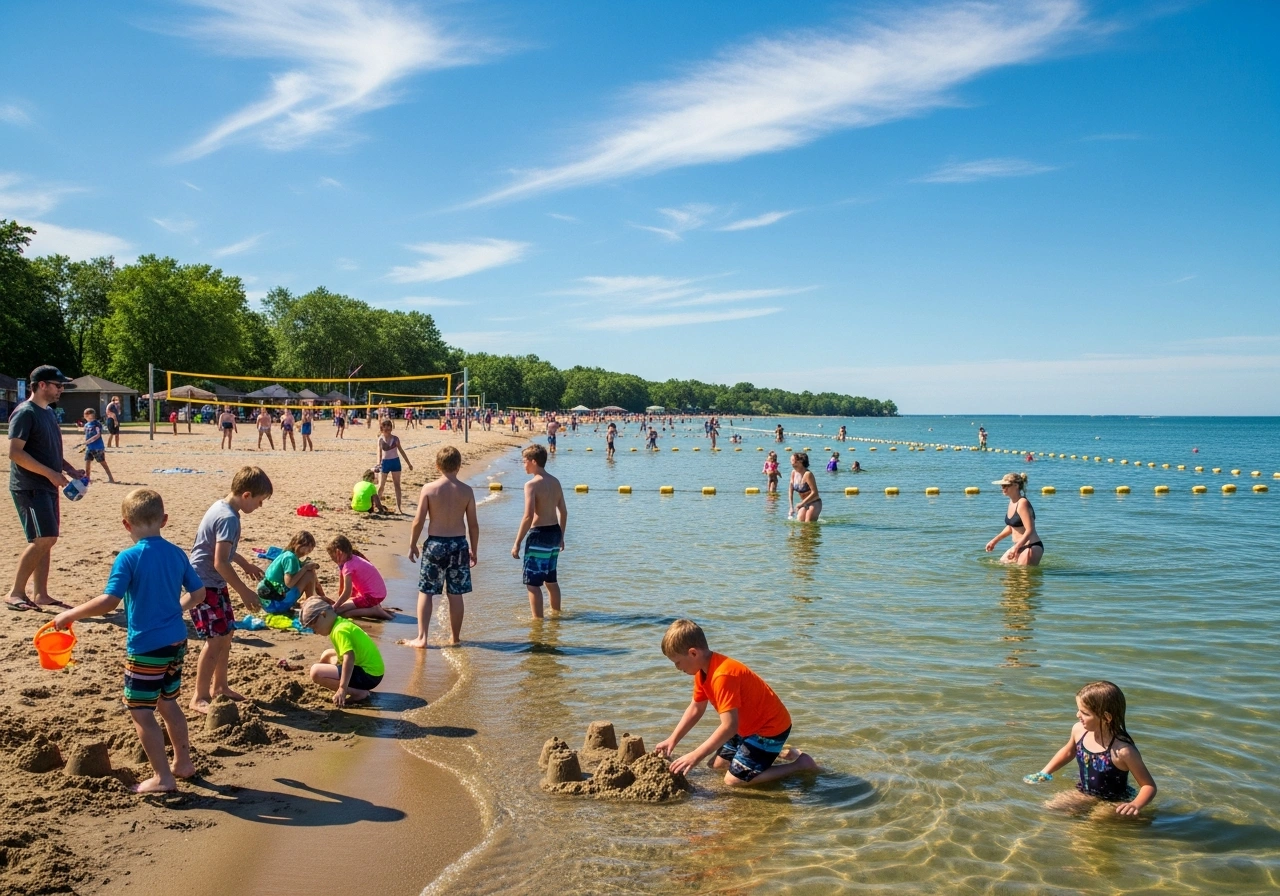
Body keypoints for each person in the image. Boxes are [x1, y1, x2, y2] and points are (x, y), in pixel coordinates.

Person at [51, 488, 205, 793]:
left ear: (126, 524)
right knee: (168, 702)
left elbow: (110, 601)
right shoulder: (176, 553)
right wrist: (177, 609)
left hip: (146, 646)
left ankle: (163, 777)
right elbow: (199, 594)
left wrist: (70, 615)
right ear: (164, 519)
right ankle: (183, 763)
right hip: (176, 641)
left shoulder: (129, 557)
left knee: (141, 711)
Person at [655, 619, 816, 787]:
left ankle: (800, 764)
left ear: (693, 653)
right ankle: (777, 753)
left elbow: (729, 727)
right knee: (717, 766)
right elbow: (696, 708)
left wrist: (695, 755)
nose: (677, 667)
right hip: (745, 727)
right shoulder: (702, 671)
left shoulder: (722, 675)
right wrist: (672, 739)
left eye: (677, 662)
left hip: (769, 729)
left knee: (733, 780)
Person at [187, 466, 270, 713]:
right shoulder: (228, 518)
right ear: (246, 495)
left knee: (227, 633)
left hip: (213, 581)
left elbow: (222, 550)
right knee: (214, 640)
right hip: (204, 583)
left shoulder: (223, 508)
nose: (260, 506)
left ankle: (220, 687)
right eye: (259, 501)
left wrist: (245, 563)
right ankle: (199, 696)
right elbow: (219, 561)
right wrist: (244, 591)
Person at [7, 366, 83, 612]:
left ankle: (41, 594)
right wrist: (51, 474)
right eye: (58, 385)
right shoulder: (25, 413)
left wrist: (69, 469)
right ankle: (15, 593)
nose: (61, 389)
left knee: (47, 540)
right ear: (41, 385)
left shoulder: (48, 413)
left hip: (47, 486)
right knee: (43, 538)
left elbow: (48, 451)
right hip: (29, 487)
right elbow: (15, 453)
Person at [1024, 681, 1156, 816]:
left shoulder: (1123, 751)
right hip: (1084, 792)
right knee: (1050, 807)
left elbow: (1148, 786)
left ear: (1106, 717)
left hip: (1114, 800)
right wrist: (1045, 772)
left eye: (1084, 713)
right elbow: (1069, 751)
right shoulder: (1079, 730)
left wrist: (1136, 804)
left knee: (1096, 821)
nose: (1077, 715)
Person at [403, 446, 478, 648]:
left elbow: (418, 521)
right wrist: (475, 549)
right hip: (459, 544)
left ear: (437, 466)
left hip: (435, 544)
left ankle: (422, 638)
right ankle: (454, 638)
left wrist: (412, 544)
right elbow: (473, 525)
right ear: (459, 466)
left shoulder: (429, 489)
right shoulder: (467, 491)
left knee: (426, 591)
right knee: (455, 593)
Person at [511, 444, 567, 619]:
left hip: (539, 536)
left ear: (534, 461)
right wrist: (562, 536)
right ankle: (556, 618)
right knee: (551, 580)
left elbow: (528, 516)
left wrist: (517, 542)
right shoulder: (555, 481)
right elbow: (563, 512)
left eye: (525, 461)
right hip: (554, 533)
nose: (523, 465)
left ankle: (538, 624)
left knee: (533, 584)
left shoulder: (531, 485)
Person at [300, 598, 384, 707]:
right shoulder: (339, 622)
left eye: (314, 627)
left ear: (323, 615)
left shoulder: (339, 631)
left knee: (315, 672)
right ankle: (331, 681)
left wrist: (342, 688)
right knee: (327, 654)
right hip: (373, 670)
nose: (315, 632)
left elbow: (349, 658)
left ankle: (359, 693)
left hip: (368, 675)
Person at [257, 530, 325, 615]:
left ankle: (311, 600)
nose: (310, 550)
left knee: (308, 571)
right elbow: (289, 583)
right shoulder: (290, 558)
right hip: (274, 604)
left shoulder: (286, 554)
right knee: (309, 574)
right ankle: (309, 606)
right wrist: (304, 568)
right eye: (308, 547)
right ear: (299, 545)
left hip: (268, 602)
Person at [326, 534, 393, 620]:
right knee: (343, 606)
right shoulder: (355, 557)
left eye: (332, 557)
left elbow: (347, 593)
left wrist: (335, 606)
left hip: (372, 597)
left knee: (342, 612)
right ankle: (373, 607)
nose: (333, 560)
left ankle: (374, 610)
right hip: (379, 593)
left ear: (339, 553)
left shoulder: (348, 566)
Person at [986, 473, 1044, 566]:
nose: (1003, 488)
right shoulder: (1012, 502)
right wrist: (994, 541)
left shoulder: (1022, 503)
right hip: (1019, 545)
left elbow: (1030, 529)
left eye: (1006, 485)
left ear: (1016, 486)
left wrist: (1016, 547)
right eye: (1002, 485)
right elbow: (1011, 527)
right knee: (1004, 568)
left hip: (1031, 546)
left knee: (1024, 578)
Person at [376, 419, 413, 514]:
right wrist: (378, 464)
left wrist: (408, 463)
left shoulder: (395, 439)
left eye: (389, 426)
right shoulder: (380, 439)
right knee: (381, 486)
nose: (387, 428)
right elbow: (379, 453)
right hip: (385, 463)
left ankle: (399, 507)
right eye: (385, 426)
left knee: (397, 485)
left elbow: (401, 451)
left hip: (395, 462)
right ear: (382, 428)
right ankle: (376, 505)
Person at [81, 408, 115, 484]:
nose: (85, 416)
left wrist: (88, 441)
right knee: (87, 463)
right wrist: (86, 443)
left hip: (98, 447)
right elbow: (86, 435)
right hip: (89, 448)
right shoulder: (86, 425)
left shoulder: (97, 424)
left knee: (103, 463)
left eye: (87, 414)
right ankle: (87, 479)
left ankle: (111, 478)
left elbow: (98, 435)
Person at [789, 452, 821, 521]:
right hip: (804, 503)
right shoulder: (793, 473)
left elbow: (814, 492)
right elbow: (790, 490)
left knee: (808, 523)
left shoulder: (808, 474)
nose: (790, 460)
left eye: (793, 458)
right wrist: (791, 507)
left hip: (814, 502)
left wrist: (801, 503)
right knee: (800, 521)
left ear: (800, 461)